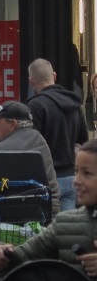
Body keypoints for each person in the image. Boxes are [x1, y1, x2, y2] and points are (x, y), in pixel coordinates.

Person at [0, 138, 97, 277]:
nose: (76, 181)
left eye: (87, 173)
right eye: (76, 172)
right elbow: (22, 255)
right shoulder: (64, 223)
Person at [0, 100, 60, 214]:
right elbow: (19, 148)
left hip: (14, 213)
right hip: (47, 207)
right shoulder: (37, 138)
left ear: (12, 124)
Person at [26, 57, 89, 212]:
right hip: (70, 177)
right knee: (68, 224)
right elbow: (83, 139)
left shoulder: (35, 106)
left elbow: (31, 144)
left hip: (46, 178)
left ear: (31, 81)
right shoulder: (74, 103)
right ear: (54, 75)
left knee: (48, 225)